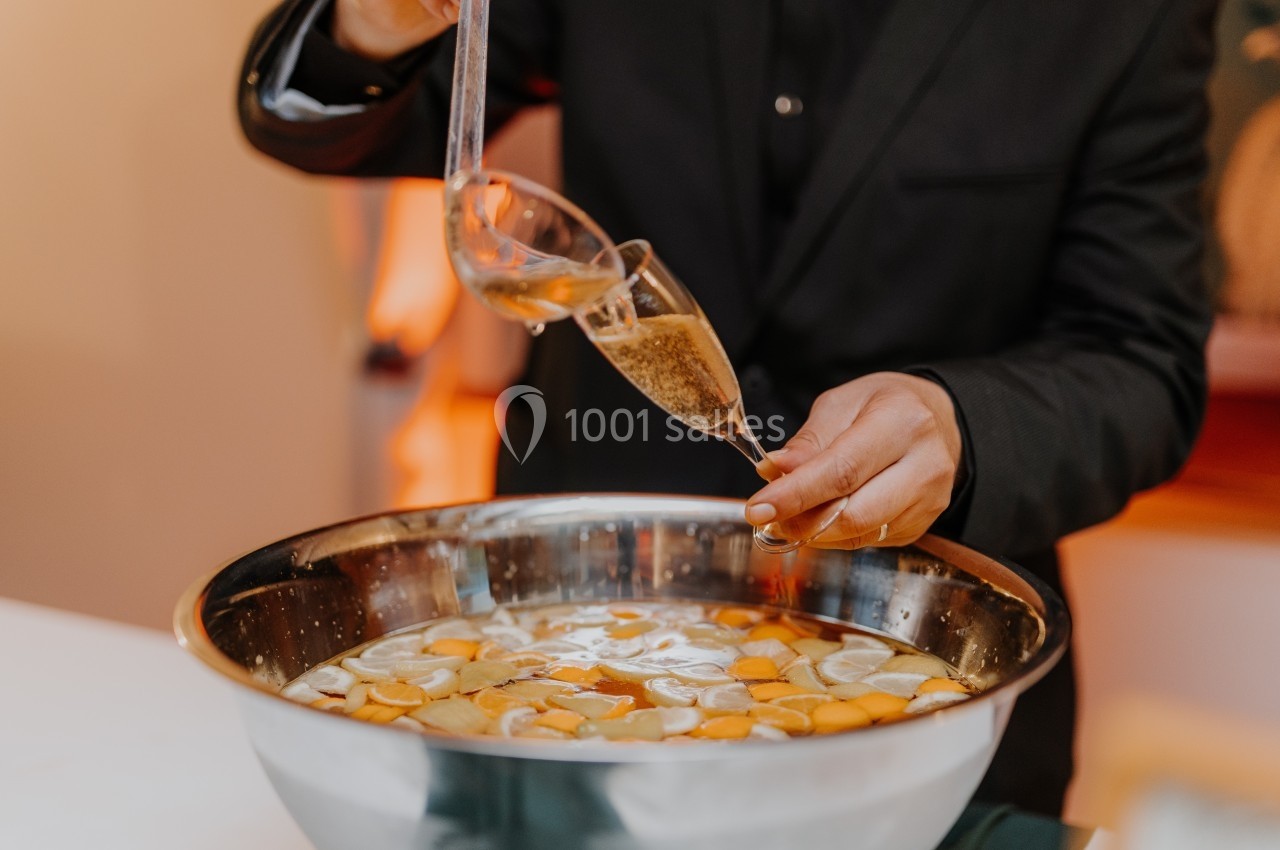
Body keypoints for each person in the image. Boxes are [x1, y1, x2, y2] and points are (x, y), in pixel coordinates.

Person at [237, 0, 1219, 816]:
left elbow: (1140, 356)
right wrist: (373, 20)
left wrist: (960, 424)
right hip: (556, 674)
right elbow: (347, 114)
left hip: (921, 723)